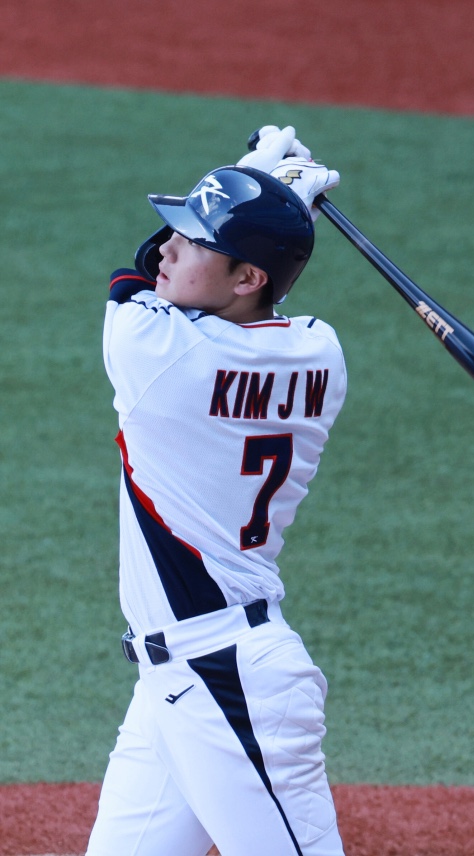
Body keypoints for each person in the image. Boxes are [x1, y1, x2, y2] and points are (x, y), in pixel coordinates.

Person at [86, 126, 347, 856]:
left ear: (247, 277)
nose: (169, 248)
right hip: (180, 684)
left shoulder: (156, 354)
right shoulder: (320, 353)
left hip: (230, 680)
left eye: (195, 239)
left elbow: (135, 274)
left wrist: (250, 179)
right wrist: (263, 212)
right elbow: (237, 303)